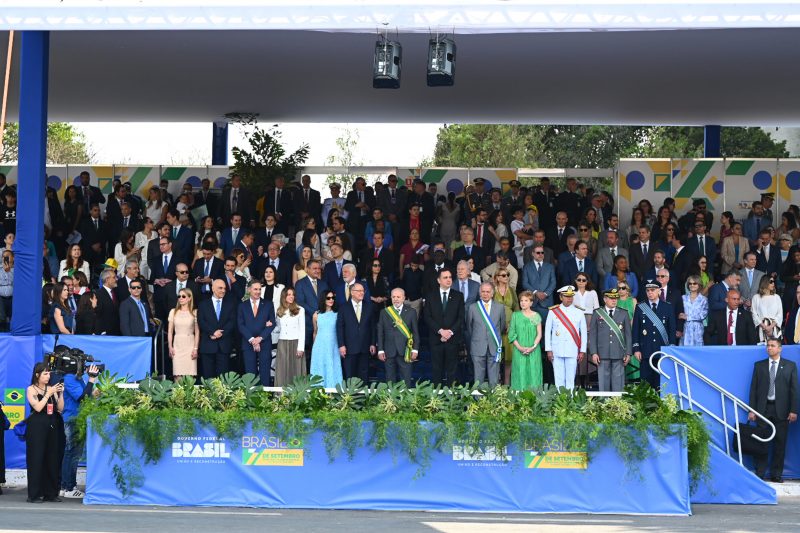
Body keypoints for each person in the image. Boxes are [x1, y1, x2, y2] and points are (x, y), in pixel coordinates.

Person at [748, 337, 798, 483]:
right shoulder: (759, 366)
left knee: (780, 443)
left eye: (772, 345)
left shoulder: (790, 366)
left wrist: (793, 410)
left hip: (782, 410)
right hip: (763, 410)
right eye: (768, 346)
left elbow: (794, 391)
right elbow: (753, 390)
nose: (769, 348)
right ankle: (760, 473)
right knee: (761, 442)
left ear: (780, 348)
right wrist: (752, 410)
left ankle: (777, 474)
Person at [25, 363, 64, 503]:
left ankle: (51, 493)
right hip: (36, 427)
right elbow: (38, 407)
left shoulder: (51, 388)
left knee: (52, 459)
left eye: (49, 374)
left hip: (52, 425)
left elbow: (60, 408)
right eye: (45, 374)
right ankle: (34, 494)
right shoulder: (31, 389)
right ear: (37, 375)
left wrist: (60, 394)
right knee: (36, 459)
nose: (48, 377)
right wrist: (48, 394)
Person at [61, 362, 100, 499]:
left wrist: (94, 391)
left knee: (71, 454)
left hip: (78, 418)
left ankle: (65, 486)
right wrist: (91, 379)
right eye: (82, 364)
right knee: (72, 454)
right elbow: (81, 397)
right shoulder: (69, 378)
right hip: (72, 419)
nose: (85, 367)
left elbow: (86, 395)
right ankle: (69, 487)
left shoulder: (77, 378)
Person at [424, 268, 465, 386]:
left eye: (450, 277)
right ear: (438, 280)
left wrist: (449, 332)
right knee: (436, 371)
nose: (448, 280)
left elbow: (461, 317)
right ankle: (437, 399)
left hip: (452, 339)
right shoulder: (431, 296)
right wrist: (441, 331)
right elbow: (427, 317)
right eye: (445, 277)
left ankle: (451, 398)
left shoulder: (458, 296)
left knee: (452, 371)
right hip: (436, 340)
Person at [632, 282, 677, 390]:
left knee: (660, 383)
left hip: (662, 350)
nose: (650, 293)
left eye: (652, 290)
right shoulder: (640, 307)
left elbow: (672, 329)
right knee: (645, 384)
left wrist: (670, 347)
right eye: (648, 291)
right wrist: (636, 349)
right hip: (645, 351)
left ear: (659, 291)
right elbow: (636, 330)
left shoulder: (667, 307)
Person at [588, 289, 632, 392]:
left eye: (615, 298)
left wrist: (628, 353)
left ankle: (617, 406)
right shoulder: (597, 313)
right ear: (605, 299)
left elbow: (628, 335)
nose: (614, 300)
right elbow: (593, 335)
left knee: (618, 383)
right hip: (602, 353)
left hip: (619, 352)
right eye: (611, 298)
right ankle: (604, 405)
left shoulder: (623, 313)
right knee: (603, 382)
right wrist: (594, 352)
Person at [545, 286, 587, 390]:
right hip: (556, 349)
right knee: (558, 378)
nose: (569, 298)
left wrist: (582, 350)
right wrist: (549, 350)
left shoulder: (579, 311)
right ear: (560, 297)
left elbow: (584, 333)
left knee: (570, 379)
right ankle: (560, 401)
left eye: (571, 296)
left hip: (572, 349)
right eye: (566, 296)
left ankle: (569, 402)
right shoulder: (553, 311)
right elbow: (547, 332)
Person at [466, 282, 506, 387]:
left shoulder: (500, 308)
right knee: (478, 378)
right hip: (478, 346)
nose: (485, 294)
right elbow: (469, 327)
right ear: (479, 293)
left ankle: (494, 400)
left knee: (494, 378)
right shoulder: (473, 307)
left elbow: (501, 326)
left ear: (492, 293)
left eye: (488, 292)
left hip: (494, 346)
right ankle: (478, 401)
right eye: (483, 291)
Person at [377, 288, 419, 387]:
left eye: (398, 297)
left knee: (406, 380)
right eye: (393, 297)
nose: (396, 299)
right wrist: (380, 350)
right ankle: (391, 402)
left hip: (405, 350)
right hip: (388, 351)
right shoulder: (384, 312)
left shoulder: (411, 312)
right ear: (391, 298)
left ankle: (404, 402)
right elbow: (380, 332)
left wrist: (415, 349)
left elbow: (415, 332)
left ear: (404, 298)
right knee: (390, 380)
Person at [238, 280, 276, 386]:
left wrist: (259, 339)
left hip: (264, 343)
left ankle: (266, 399)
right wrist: (252, 340)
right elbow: (241, 325)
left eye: (260, 289)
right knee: (250, 374)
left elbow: (272, 323)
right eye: (255, 289)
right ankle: (251, 399)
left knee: (265, 373)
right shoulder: (242, 306)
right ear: (249, 289)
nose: (258, 291)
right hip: (247, 343)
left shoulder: (268, 304)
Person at [336, 282, 376, 383]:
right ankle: (350, 398)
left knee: (364, 375)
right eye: (359, 291)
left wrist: (373, 343)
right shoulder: (343, 308)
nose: (361, 293)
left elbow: (373, 327)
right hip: (349, 348)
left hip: (365, 347)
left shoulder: (369, 307)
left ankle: (363, 397)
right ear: (352, 292)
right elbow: (340, 327)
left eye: (363, 291)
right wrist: (341, 345)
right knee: (350, 375)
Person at [197, 279, 237, 378]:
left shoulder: (230, 304)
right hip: (208, 345)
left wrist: (220, 333)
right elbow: (201, 321)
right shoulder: (203, 304)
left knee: (223, 379)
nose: (223, 290)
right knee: (208, 378)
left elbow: (232, 322)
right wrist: (213, 332)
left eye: (224, 288)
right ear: (213, 288)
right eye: (220, 288)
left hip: (224, 346)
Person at [507, 291, 543, 391]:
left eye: (526, 300)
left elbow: (539, 334)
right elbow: (511, 334)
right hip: (519, 350)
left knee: (534, 373)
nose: (523, 303)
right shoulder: (515, 315)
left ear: (531, 303)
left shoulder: (536, 316)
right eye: (521, 300)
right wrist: (520, 348)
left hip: (534, 351)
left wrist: (533, 347)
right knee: (520, 373)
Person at [310, 290, 344, 388]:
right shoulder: (316, 315)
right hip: (319, 347)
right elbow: (315, 332)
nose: (331, 300)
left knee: (333, 366)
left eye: (332, 298)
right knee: (320, 367)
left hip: (333, 345)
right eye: (328, 298)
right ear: (323, 299)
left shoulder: (337, 314)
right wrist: (314, 348)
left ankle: (334, 393)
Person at [275, 287, 307, 387]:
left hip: (296, 342)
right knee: (282, 369)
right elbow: (278, 328)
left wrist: (300, 348)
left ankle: (298, 396)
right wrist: (268, 325)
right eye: (288, 294)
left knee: (296, 369)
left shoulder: (300, 309)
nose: (291, 297)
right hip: (282, 343)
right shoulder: (279, 310)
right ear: (284, 296)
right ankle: (281, 397)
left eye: (292, 294)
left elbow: (302, 330)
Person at [168, 288, 200, 379]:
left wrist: (195, 348)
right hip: (177, 345)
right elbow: (170, 331)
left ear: (189, 298)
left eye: (183, 296)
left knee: (190, 377)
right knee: (177, 375)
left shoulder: (194, 312)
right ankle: (177, 393)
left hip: (190, 345)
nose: (180, 298)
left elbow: (197, 332)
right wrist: (170, 347)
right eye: (179, 296)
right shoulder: (173, 312)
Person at [751, 276, 783, 344]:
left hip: (774, 329)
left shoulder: (777, 297)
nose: (773, 283)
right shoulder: (756, 297)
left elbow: (780, 314)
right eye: (771, 282)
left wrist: (771, 327)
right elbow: (754, 314)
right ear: (764, 283)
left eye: (773, 281)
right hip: (761, 328)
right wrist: (764, 326)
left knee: (774, 348)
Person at [680, 275, 708, 346]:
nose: (692, 285)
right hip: (685, 328)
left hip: (698, 329)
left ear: (699, 285)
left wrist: (688, 317)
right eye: (690, 283)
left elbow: (703, 315)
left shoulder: (704, 299)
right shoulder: (683, 298)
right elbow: (680, 314)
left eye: (694, 283)